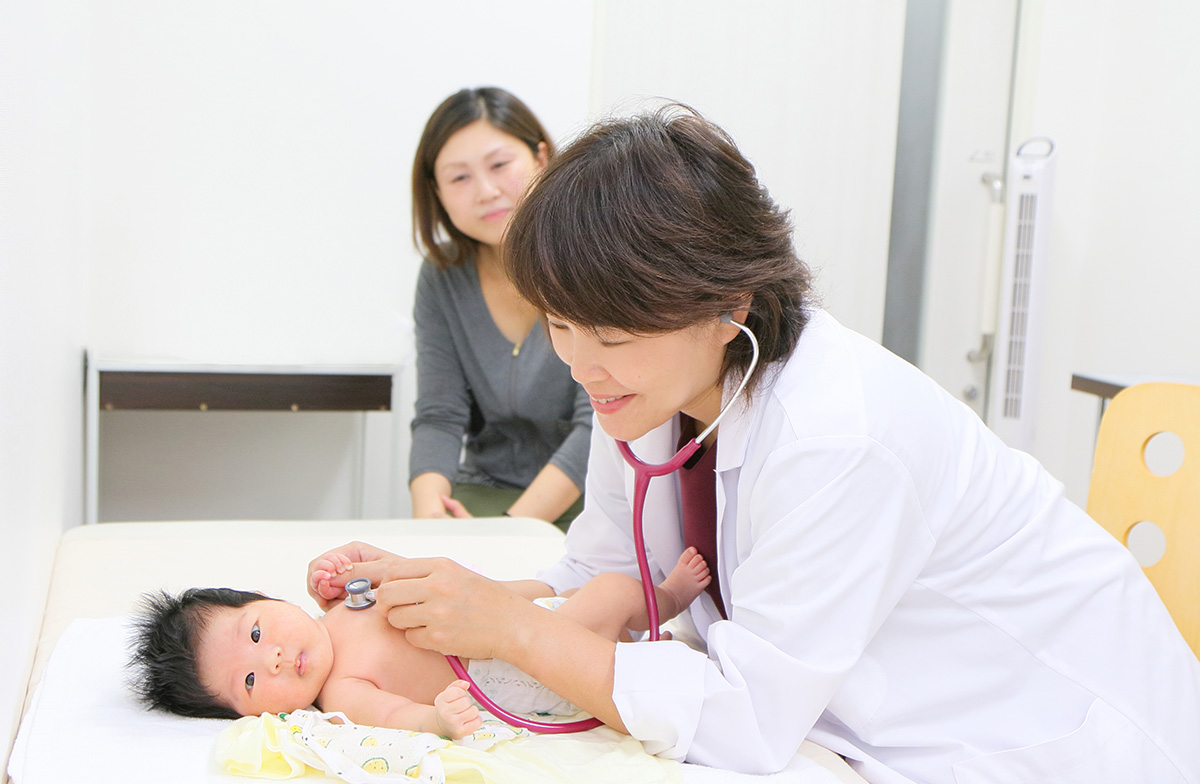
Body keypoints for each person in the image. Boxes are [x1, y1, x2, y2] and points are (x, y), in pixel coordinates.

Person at [311, 105, 1200, 783]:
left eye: (610, 336)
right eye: (559, 325)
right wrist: (431, 592)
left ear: (727, 305)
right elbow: (597, 581)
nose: (581, 365)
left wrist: (511, 629)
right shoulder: (654, 390)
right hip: (853, 723)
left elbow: (746, 718)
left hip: (1039, 744)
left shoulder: (839, 434)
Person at [128, 547, 711, 740]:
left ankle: (653, 613)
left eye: (256, 632)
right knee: (609, 595)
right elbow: (395, 715)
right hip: (524, 674)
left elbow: (422, 583)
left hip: (510, 621)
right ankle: (669, 600)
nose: (273, 657)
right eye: (251, 681)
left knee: (593, 594)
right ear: (244, 715)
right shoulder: (340, 693)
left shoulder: (340, 606)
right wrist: (436, 720)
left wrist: (345, 567)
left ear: (264, 597)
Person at [408, 86, 589, 530]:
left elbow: (599, 426)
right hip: (482, 492)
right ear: (437, 191)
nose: (486, 191)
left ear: (541, 159)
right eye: (459, 177)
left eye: (499, 165)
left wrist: (511, 531)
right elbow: (439, 414)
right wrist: (428, 512)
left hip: (592, 497)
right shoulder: (442, 276)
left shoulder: (593, 259)